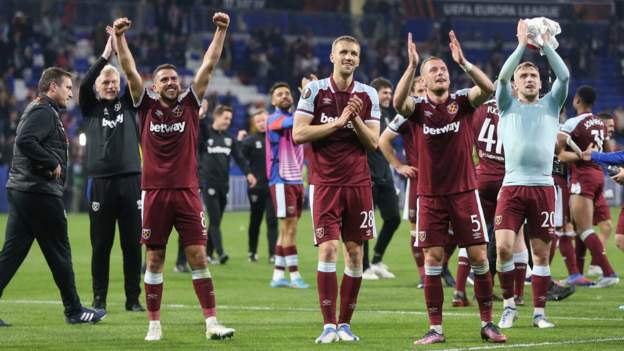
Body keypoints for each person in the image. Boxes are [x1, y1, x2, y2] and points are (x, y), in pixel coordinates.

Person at [113, 14, 235, 341]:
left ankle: (211, 323)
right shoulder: (145, 104)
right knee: (154, 259)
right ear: (154, 86)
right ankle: (154, 324)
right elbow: (128, 69)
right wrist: (121, 38)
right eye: (164, 79)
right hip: (153, 192)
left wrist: (221, 30)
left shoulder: (191, 104)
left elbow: (208, 65)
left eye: (174, 78)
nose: (171, 83)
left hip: (187, 192)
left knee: (197, 255)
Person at [394, 31, 504, 345]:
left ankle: (487, 324)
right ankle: (436, 329)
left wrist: (464, 63)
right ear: (423, 81)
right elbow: (398, 102)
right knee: (432, 261)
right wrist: (411, 66)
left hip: (465, 193)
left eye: (443, 69)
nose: (441, 72)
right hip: (429, 196)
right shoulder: (416, 109)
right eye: (434, 70)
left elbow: (488, 88)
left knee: (479, 256)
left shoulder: (462, 102)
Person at [0, 67, 106, 325]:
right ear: (53, 87)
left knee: (11, 254)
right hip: (38, 192)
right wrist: (51, 163)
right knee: (60, 252)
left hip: (24, 190)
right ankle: (74, 310)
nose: (71, 94)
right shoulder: (44, 112)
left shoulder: (40, 109)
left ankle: (74, 308)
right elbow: (24, 140)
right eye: (68, 88)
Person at [293, 35, 380, 343]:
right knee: (329, 249)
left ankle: (345, 324)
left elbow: (373, 142)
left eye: (354, 53)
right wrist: (339, 121)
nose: (348, 57)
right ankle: (328, 324)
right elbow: (299, 133)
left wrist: (354, 118)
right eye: (343, 52)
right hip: (325, 184)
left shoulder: (368, 94)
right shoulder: (314, 91)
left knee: (355, 254)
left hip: (358, 184)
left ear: (359, 59)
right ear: (331, 56)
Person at [494, 19, 569, 330]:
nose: (528, 78)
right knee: (503, 248)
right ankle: (510, 305)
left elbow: (563, 75)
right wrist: (523, 45)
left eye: (533, 75)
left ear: (540, 82)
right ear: (515, 84)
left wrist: (546, 44)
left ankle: (539, 313)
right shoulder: (506, 106)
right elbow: (499, 78)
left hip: (542, 188)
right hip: (511, 188)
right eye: (522, 75)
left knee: (540, 253)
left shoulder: (551, 106)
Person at [79, 31, 143, 312]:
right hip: (100, 183)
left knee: (132, 245)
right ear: (97, 85)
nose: (109, 84)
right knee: (101, 245)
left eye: (113, 81)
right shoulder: (89, 107)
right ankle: (99, 298)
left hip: (131, 180)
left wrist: (120, 47)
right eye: (105, 81)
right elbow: (83, 83)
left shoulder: (129, 104)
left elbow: (134, 75)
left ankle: (133, 299)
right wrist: (106, 54)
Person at [557, 88, 619, 288]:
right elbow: (609, 150)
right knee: (578, 228)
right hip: (598, 176)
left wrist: (581, 154)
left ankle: (608, 272)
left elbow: (560, 154)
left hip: (582, 176)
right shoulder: (600, 123)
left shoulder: (572, 123)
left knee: (583, 229)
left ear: (577, 100)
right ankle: (578, 274)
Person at [378, 77, 425, 285]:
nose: (424, 94)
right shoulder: (407, 114)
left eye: (427, 89)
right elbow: (383, 140)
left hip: (446, 182)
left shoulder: (446, 111)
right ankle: (425, 275)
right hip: (418, 180)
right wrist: (398, 166)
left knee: (449, 232)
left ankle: (442, 270)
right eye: (420, 91)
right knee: (416, 231)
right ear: (412, 94)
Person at [199, 105, 257, 264]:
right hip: (207, 182)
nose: (228, 121)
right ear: (216, 116)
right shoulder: (205, 134)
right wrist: (202, 115)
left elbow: (239, 158)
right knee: (215, 219)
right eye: (225, 118)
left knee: (216, 221)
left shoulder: (228, 138)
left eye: (230, 119)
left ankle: (208, 254)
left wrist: (248, 173)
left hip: (223, 185)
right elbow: (199, 127)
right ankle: (221, 252)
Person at [265, 82, 308, 288]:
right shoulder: (273, 119)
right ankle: (295, 276)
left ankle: (277, 276)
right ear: (273, 101)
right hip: (281, 180)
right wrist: (307, 97)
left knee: (287, 230)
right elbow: (297, 122)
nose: (284, 96)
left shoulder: (295, 118)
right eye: (279, 94)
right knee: (289, 230)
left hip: (297, 179)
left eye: (287, 93)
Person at [361, 77, 401, 280]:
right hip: (368, 175)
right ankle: (363, 266)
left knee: (393, 218)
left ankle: (376, 259)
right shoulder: (366, 114)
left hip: (385, 175)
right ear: (374, 93)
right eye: (384, 92)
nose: (388, 96)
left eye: (389, 92)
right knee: (365, 224)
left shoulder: (387, 115)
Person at [239, 109, 277, 263]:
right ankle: (252, 252)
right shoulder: (250, 140)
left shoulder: (276, 138)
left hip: (274, 186)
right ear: (254, 124)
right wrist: (248, 173)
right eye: (258, 121)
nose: (262, 123)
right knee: (255, 220)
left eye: (264, 120)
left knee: (272, 221)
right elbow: (239, 158)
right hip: (256, 187)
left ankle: (273, 254)